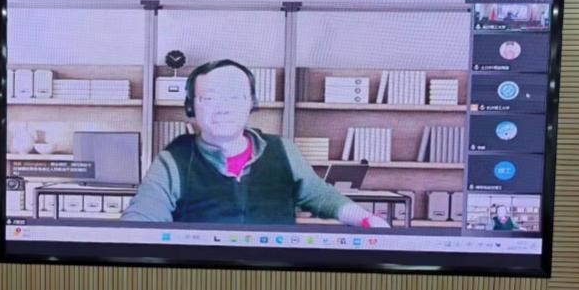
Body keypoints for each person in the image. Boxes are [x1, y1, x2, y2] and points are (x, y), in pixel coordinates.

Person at [123, 59, 389, 227]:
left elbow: (320, 195)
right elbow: (144, 214)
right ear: (191, 107)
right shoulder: (172, 160)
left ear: (251, 103)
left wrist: (364, 218)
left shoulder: (283, 150)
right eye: (209, 98)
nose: (223, 108)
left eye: (235, 98)